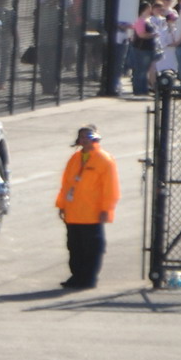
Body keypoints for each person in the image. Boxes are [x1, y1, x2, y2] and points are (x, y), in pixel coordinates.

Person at [56, 124, 120, 290]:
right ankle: (76, 276)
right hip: (73, 212)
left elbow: (110, 188)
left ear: (96, 138)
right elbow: (66, 184)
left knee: (91, 248)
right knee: (74, 247)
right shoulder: (75, 158)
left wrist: (106, 209)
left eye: (88, 136)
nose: (84, 140)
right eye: (82, 137)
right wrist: (62, 205)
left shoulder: (104, 159)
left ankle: (89, 278)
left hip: (92, 213)